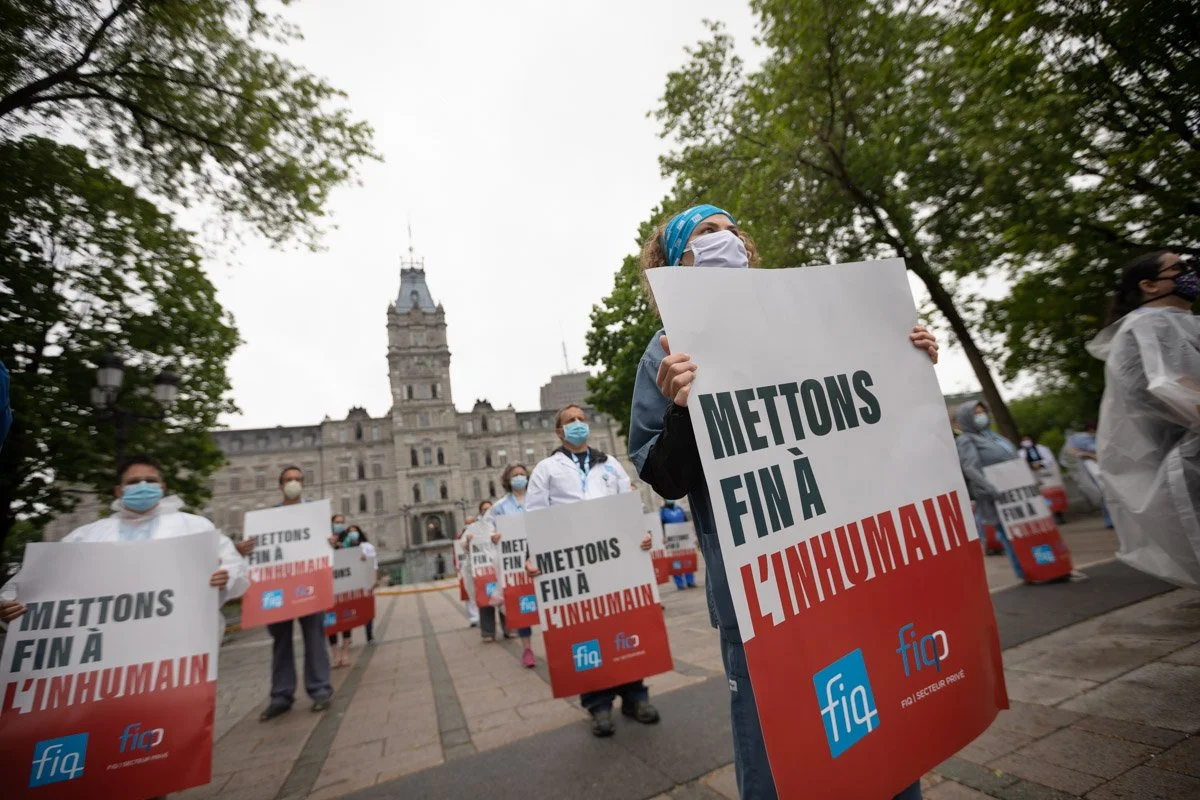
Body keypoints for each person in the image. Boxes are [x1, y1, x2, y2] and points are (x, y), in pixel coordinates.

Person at [627, 204, 937, 800]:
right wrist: (681, 411)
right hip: (759, 585)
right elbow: (663, 475)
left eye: (732, 230)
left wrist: (909, 360)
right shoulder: (664, 351)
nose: (727, 240)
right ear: (675, 263)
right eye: (707, 234)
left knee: (883, 720)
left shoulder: (806, 318)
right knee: (780, 744)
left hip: (845, 562)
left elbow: (869, 418)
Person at [0, 454, 249, 641]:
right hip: (107, 650)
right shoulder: (88, 536)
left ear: (162, 487)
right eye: (134, 481)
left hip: (180, 644)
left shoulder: (195, 528)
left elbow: (233, 566)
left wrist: (225, 577)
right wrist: (9, 604)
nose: (143, 486)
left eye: (150, 480)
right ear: (119, 491)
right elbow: (40, 579)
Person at [526, 404, 658, 737]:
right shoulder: (546, 469)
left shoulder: (610, 464)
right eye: (570, 421)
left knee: (624, 622)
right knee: (585, 631)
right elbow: (536, 514)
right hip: (575, 562)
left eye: (582, 420)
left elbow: (629, 502)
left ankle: (635, 695)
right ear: (559, 432)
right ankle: (597, 704)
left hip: (616, 558)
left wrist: (640, 535)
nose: (578, 425)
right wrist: (534, 555)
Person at [1086, 250, 1200, 588]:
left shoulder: (1175, 322)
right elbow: (1170, 388)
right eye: (1179, 268)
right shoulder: (1150, 324)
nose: (1189, 273)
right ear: (1149, 285)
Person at [259, 465, 335, 721]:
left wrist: (330, 544)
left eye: (298, 479)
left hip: (309, 585)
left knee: (314, 636)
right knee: (280, 641)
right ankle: (281, 695)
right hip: (278, 587)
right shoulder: (268, 519)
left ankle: (320, 690)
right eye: (289, 480)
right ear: (280, 486)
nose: (294, 483)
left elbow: (325, 546)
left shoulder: (314, 514)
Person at [955, 402, 1026, 578]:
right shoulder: (966, 440)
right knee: (1009, 533)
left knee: (1024, 530)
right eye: (976, 414)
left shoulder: (993, 437)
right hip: (996, 495)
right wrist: (989, 487)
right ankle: (1025, 570)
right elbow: (970, 468)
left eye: (982, 412)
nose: (981, 416)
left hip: (1017, 491)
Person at [487, 463, 536, 667]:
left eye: (522, 474)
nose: (519, 478)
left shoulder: (538, 498)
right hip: (516, 565)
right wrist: (494, 536)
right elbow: (489, 529)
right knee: (523, 607)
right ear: (507, 480)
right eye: (515, 475)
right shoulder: (499, 507)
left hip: (538, 557)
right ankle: (527, 649)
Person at [328, 524, 378, 666]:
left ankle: (349, 649)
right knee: (332, 621)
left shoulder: (359, 547)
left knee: (350, 616)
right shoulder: (329, 547)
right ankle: (336, 654)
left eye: (355, 531)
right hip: (334, 588)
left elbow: (370, 563)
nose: (352, 533)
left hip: (350, 585)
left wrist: (372, 577)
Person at [1063, 419, 1112, 527]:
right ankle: (1109, 520)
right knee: (1104, 493)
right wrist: (1088, 455)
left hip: (1102, 466)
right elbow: (1071, 452)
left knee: (1108, 493)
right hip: (1091, 468)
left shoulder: (1100, 437)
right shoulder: (1078, 438)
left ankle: (1111, 519)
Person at [1020, 434, 1068, 525]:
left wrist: (1040, 464)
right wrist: (1031, 466)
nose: (1026, 442)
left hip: (1046, 475)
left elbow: (1050, 460)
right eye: (1024, 440)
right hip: (1033, 476)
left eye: (1027, 439)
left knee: (1051, 496)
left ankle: (1058, 515)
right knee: (1041, 497)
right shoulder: (1021, 453)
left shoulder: (1042, 449)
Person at [659, 499, 695, 590]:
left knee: (687, 559)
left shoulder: (679, 509)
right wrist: (663, 537)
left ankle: (690, 582)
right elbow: (661, 525)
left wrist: (691, 534)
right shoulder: (663, 511)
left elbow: (686, 521)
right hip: (672, 541)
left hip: (684, 539)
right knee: (675, 561)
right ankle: (680, 584)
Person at [455, 515, 479, 626]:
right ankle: (473, 617)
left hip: (479, 568)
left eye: (471, 522)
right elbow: (456, 554)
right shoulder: (459, 538)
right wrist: (457, 565)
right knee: (467, 593)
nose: (469, 525)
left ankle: (480, 615)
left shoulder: (480, 534)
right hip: (465, 569)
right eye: (467, 523)